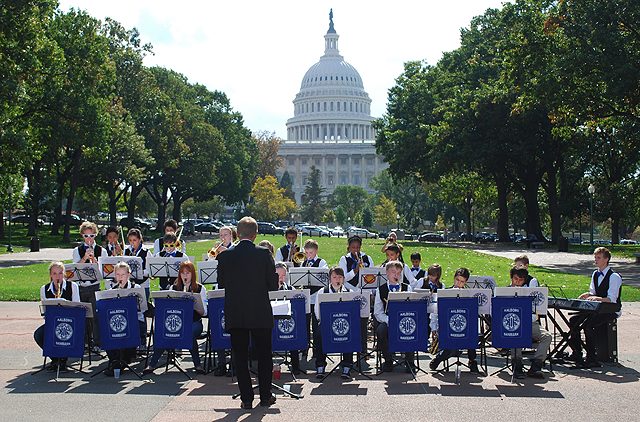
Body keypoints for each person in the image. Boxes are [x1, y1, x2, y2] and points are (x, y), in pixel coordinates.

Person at [217, 217, 279, 409]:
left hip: (237, 312)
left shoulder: (225, 256)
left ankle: (246, 398)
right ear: (255, 235)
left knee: (240, 356)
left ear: (237, 233)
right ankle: (266, 396)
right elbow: (272, 285)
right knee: (264, 355)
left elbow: (222, 283)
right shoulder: (264, 254)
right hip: (260, 311)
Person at [144, 261, 207, 375]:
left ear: (192, 274)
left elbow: (203, 312)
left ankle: (197, 365)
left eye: (188, 273)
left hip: (194, 322)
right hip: (178, 321)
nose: (185, 276)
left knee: (189, 332)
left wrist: (193, 303)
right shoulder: (173, 288)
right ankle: (152, 364)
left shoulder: (200, 288)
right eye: (182, 273)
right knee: (164, 331)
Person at [568, 247, 622, 368]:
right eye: (595, 258)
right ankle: (577, 352)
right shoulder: (595, 274)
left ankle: (591, 357)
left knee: (589, 325)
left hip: (611, 309)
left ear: (606, 259)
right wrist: (589, 294)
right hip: (597, 308)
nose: (596, 260)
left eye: (599, 258)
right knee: (574, 321)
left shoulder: (614, 277)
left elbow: (612, 299)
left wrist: (597, 298)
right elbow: (594, 292)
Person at [428, 267, 479, 373]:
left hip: (463, 327)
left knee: (471, 335)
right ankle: (439, 358)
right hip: (447, 328)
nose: (459, 283)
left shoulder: (469, 296)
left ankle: (472, 360)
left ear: (466, 282)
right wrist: (433, 327)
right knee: (450, 349)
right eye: (458, 280)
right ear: (454, 278)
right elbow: (435, 312)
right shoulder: (444, 293)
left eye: (462, 282)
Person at [34, 262, 81, 373]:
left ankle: (63, 361)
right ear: (50, 275)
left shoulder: (72, 287)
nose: (58, 276)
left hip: (70, 322)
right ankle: (55, 359)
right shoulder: (44, 289)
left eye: (60, 273)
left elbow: (77, 307)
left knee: (64, 333)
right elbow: (45, 311)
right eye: (54, 274)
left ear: (64, 274)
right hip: (53, 322)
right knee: (39, 334)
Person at [103, 262, 146, 376]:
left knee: (134, 330)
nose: (120, 278)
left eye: (123, 275)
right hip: (119, 321)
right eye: (118, 275)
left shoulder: (136, 288)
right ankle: (115, 360)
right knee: (106, 329)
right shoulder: (112, 289)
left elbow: (142, 309)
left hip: (135, 321)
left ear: (128, 275)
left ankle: (125, 360)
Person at [509, 264, 552, 378]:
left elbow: (536, 313)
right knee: (516, 332)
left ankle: (537, 365)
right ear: (511, 277)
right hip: (513, 323)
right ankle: (517, 364)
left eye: (521, 280)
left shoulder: (531, 293)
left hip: (530, 323)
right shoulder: (505, 291)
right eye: (515, 279)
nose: (518, 282)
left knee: (547, 336)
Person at [314, 266, 354, 379]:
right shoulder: (323, 291)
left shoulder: (349, 292)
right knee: (319, 333)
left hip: (343, 323)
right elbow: (317, 310)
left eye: (340, 277)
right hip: (327, 323)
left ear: (343, 279)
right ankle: (320, 365)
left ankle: (347, 365)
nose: (337, 279)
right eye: (334, 277)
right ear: (330, 278)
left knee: (349, 333)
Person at [374, 260, 414, 373]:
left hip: (405, 320)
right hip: (388, 320)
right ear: (386, 272)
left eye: (398, 273)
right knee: (380, 331)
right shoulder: (380, 289)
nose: (396, 275)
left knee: (411, 329)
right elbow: (378, 312)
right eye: (393, 272)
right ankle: (388, 360)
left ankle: (410, 361)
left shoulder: (407, 288)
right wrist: (388, 320)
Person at [73, 221, 107, 351]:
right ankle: (85, 342)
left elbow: (104, 272)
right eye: (86, 236)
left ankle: (97, 343)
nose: (89, 239)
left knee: (95, 316)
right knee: (83, 316)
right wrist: (84, 258)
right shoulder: (77, 250)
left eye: (92, 236)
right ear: (82, 236)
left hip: (94, 286)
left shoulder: (101, 250)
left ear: (96, 235)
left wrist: (95, 263)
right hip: (81, 286)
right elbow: (75, 268)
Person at [274, 262, 302, 374]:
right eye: (278, 275)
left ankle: (295, 364)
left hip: (286, 320)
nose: (281, 278)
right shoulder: (267, 288)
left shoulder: (290, 289)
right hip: (272, 322)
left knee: (294, 332)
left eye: (283, 275)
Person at [124, 228, 151, 300]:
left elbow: (150, 271)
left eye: (134, 240)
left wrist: (141, 272)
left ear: (140, 239)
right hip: (130, 284)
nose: (132, 243)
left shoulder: (146, 252)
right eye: (130, 240)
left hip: (143, 284)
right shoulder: (127, 251)